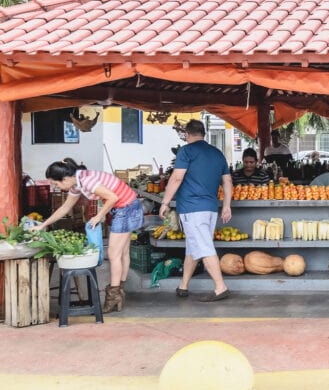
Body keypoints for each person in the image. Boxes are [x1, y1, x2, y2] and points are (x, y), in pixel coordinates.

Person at [38, 158, 143, 313]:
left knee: (113, 254)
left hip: (125, 207)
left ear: (65, 179)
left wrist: (99, 215)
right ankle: (119, 291)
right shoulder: (76, 183)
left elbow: (112, 197)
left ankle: (114, 295)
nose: (57, 187)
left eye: (56, 183)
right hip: (128, 204)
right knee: (122, 253)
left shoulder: (86, 181)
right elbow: (65, 208)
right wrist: (43, 225)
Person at [159, 119, 233, 302]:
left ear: (187, 134)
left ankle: (220, 287)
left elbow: (176, 178)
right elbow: (228, 182)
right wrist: (226, 205)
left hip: (192, 209)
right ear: (204, 133)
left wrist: (165, 202)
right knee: (193, 247)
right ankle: (183, 286)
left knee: (204, 248)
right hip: (210, 209)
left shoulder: (186, 151)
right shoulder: (217, 153)